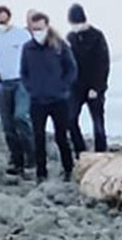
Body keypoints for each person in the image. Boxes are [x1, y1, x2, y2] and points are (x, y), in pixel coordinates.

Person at [20, 11, 78, 181]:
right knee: (39, 138)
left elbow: (71, 68)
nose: (37, 31)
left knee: (61, 136)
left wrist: (63, 87)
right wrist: (31, 89)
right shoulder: (27, 48)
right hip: (37, 100)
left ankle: (68, 169)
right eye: (34, 28)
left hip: (59, 100)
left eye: (40, 28)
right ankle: (41, 172)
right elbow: (24, 73)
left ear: (47, 26)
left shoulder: (59, 45)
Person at [0, 5, 32, 175]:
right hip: (1, 84)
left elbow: (31, 56)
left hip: (21, 81)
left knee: (21, 116)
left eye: (2, 16)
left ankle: (32, 156)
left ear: (9, 16)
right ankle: (16, 160)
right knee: (7, 125)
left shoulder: (22, 35)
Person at [66, 3, 111, 154]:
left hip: (94, 85)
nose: (75, 26)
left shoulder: (97, 36)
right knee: (71, 119)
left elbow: (103, 63)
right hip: (75, 86)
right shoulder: (70, 37)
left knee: (97, 120)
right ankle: (80, 150)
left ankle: (101, 150)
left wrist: (97, 87)